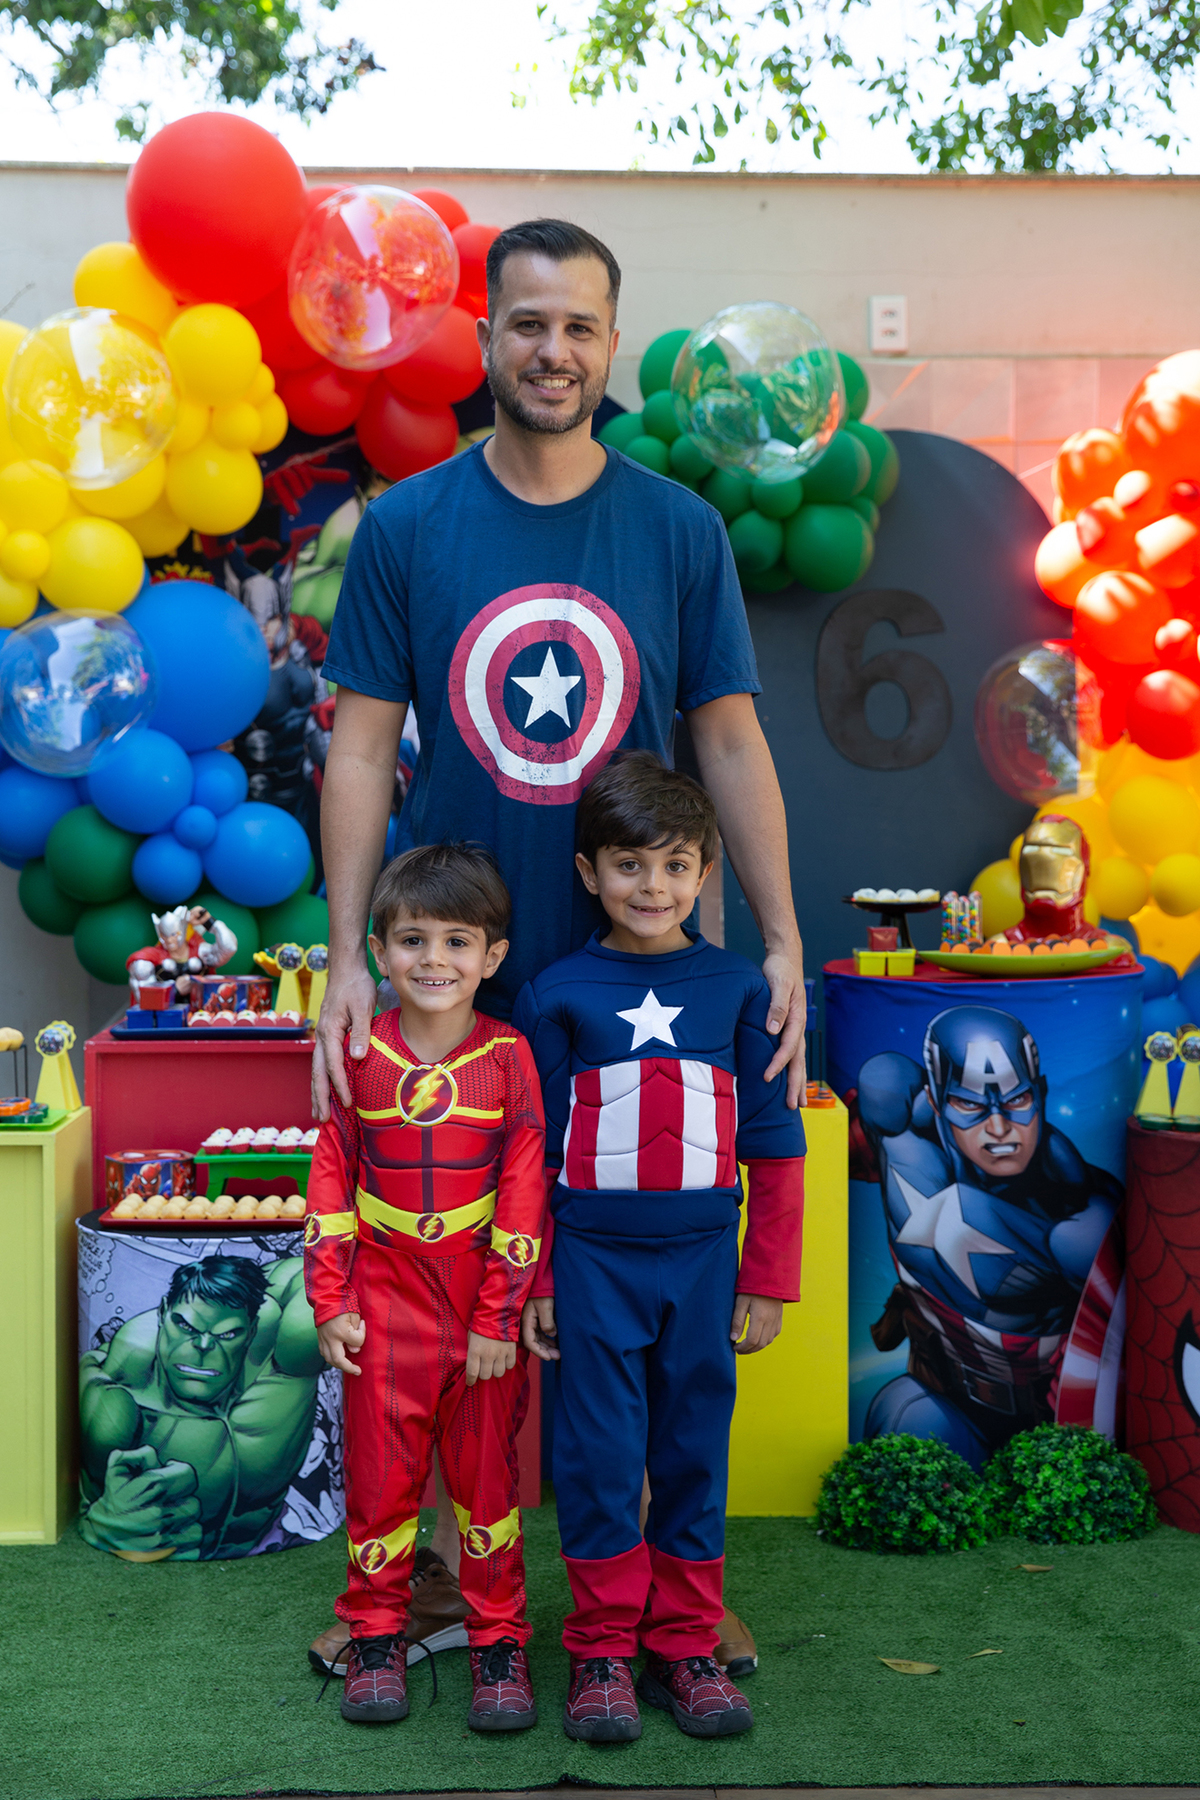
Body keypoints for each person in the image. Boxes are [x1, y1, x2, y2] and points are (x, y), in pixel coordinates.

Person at [309, 215, 807, 1676]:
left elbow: (728, 739)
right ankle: (483, 1593)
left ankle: (661, 1601)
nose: (553, 351)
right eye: (527, 324)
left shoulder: (677, 529)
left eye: (580, 327)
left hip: (641, 990)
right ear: (486, 337)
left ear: (611, 339)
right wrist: (346, 956)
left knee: (647, 1316)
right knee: (468, 1301)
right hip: (453, 978)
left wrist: (777, 938)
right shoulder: (407, 527)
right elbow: (357, 750)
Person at [514, 755, 806, 1741]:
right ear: (590, 872)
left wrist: (765, 1279)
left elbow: (776, 1143)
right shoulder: (558, 993)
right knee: (598, 1458)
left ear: (705, 873)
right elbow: (532, 1151)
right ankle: (600, 1653)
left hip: (704, 1264)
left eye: (676, 866)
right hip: (592, 1268)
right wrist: (543, 1278)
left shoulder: (734, 988)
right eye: (630, 866)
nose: (653, 888)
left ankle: (683, 1649)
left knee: (691, 1452)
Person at [305, 842, 547, 1730]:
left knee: (489, 1491)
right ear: (377, 951)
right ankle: (376, 1637)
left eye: (457, 941)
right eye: (412, 940)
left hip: (480, 1320)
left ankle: (498, 1645)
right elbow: (331, 1175)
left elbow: (526, 1190)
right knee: (380, 1487)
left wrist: (499, 1318)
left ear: (493, 957)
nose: (434, 960)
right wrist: (330, 1298)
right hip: (383, 1312)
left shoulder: (510, 1057)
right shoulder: (359, 1055)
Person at [855, 1004, 1123, 1470]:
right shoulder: (901, 1139)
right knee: (906, 1426)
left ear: (1039, 1094)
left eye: (1017, 1101)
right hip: (947, 1400)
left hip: (1053, 1424)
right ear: (935, 1102)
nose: (999, 1129)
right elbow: (877, 1090)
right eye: (971, 1106)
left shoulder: (1080, 1217)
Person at [79, 1255, 323, 1560]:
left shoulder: (280, 1363)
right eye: (185, 1326)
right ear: (164, 1313)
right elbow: (96, 1507)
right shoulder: (119, 1397)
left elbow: (308, 1271)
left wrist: (233, 1281)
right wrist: (108, 1522)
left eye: (227, 1334)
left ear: (251, 1330)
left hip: (276, 1544)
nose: (203, 1347)